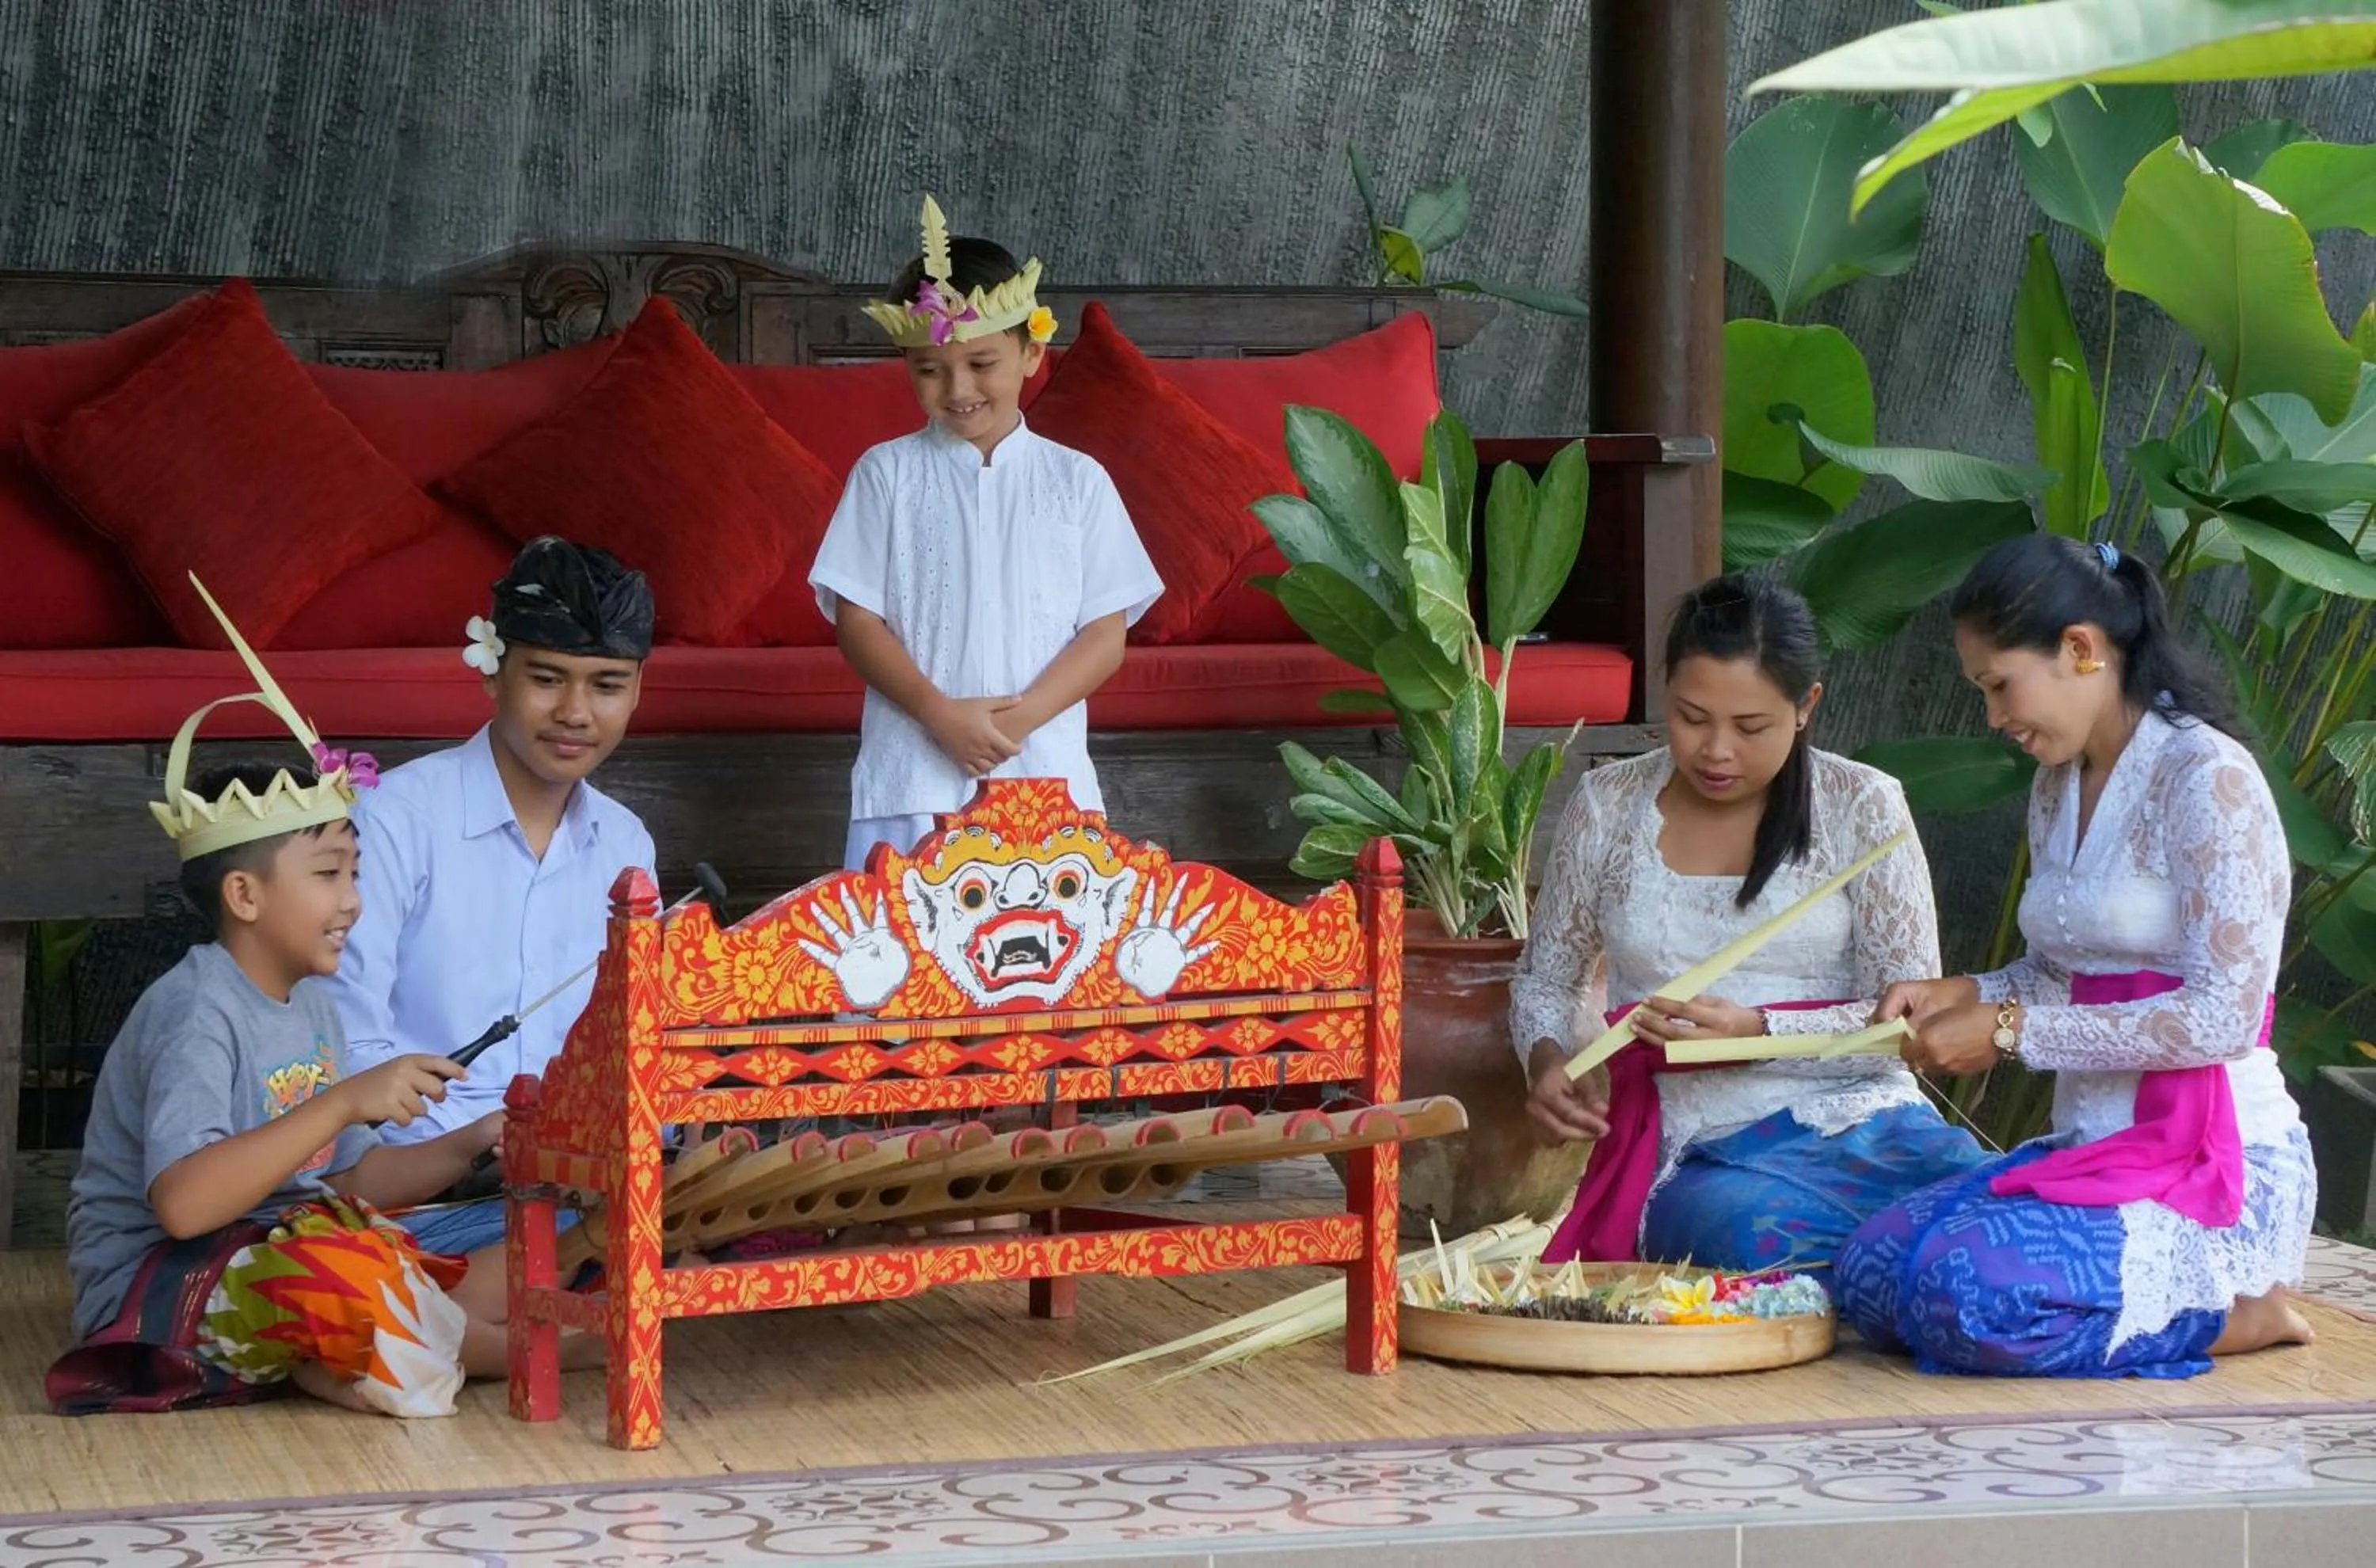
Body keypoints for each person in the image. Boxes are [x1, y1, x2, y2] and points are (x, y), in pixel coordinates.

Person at [51, 583, 584, 1419]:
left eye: (355, 874)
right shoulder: (197, 1011)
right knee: (347, 1278)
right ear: (245, 895)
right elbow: (185, 1205)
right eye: (328, 875)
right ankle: (563, 1349)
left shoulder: (315, 1007)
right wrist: (340, 1102)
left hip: (289, 1246)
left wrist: (474, 1143)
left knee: (416, 1256)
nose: (351, 901)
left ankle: (369, 1352)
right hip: (165, 1282)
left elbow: (356, 1182)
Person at [1835, 535, 2316, 1379]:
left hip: (2215, 1157)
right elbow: (2058, 979)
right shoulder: (2057, 783)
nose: (1993, 717)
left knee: (1968, 1299)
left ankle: (2242, 1310)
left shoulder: (2209, 778)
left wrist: (2012, 1031)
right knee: (1870, 1278)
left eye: (1998, 685)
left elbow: (2224, 1016)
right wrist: (1959, 993)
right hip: (2092, 1141)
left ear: (2082, 649)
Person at [1515, 575, 1986, 1277]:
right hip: (1700, 1145)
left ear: (1806, 707)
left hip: (1862, 1123)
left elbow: (1905, 1031)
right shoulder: (1608, 804)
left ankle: (1913, 1276)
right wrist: (1547, 1060)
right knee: (1755, 1234)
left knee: (1989, 1194)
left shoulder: (1864, 806)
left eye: (1751, 726)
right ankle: (1919, 1278)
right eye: (1691, 716)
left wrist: (1758, 1033)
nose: (1716, 751)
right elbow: (1547, 980)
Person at [809, 193, 1163, 872]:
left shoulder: (1077, 480)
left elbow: (1104, 632)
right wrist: (938, 713)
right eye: (930, 370)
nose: (957, 388)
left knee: (1041, 959)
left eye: (982, 364)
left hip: (1044, 772)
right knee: (905, 963)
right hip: (912, 773)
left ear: (1033, 352)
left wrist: (1017, 724)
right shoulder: (885, 475)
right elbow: (857, 619)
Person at [328, 536, 655, 1256]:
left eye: (607, 685)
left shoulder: (627, 843)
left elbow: (627, 1044)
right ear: (492, 674)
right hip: (427, 1179)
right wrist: (467, 1149)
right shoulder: (396, 819)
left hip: (579, 1170)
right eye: (547, 678)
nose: (576, 711)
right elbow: (348, 1043)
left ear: (636, 691)